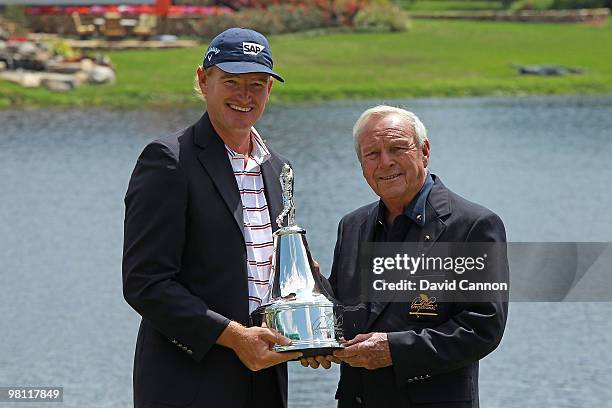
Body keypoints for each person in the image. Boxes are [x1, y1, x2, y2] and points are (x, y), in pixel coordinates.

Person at [122, 28, 301, 408]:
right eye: (231, 82)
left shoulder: (278, 167)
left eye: (257, 83)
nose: (245, 96)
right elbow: (145, 283)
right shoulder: (169, 160)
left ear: (270, 88)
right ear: (204, 81)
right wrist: (236, 337)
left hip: (266, 378)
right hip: (188, 382)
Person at [303, 106, 508, 408]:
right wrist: (314, 294)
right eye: (372, 154)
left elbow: (482, 328)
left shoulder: (473, 225)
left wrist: (394, 350)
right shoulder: (352, 225)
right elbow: (349, 315)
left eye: (397, 148)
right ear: (362, 165)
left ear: (424, 151)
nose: (385, 162)